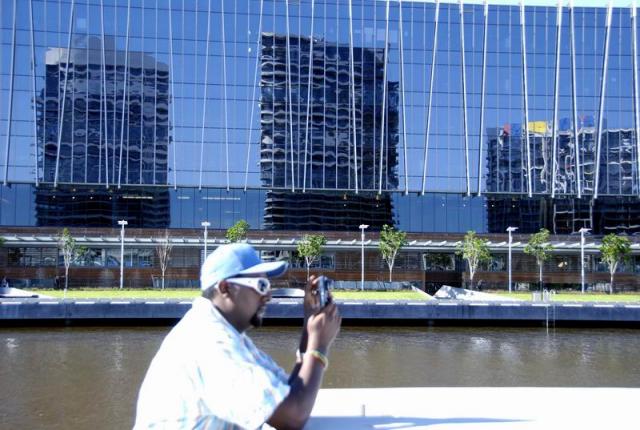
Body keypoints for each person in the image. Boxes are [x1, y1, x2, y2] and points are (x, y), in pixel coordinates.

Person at [134, 243, 341, 430]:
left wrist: (309, 327)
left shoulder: (221, 332)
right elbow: (292, 417)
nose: (268, 295)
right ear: (225, 287)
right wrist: (319, 345)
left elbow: (286, 392)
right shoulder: (211, 343)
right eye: (261, 286)